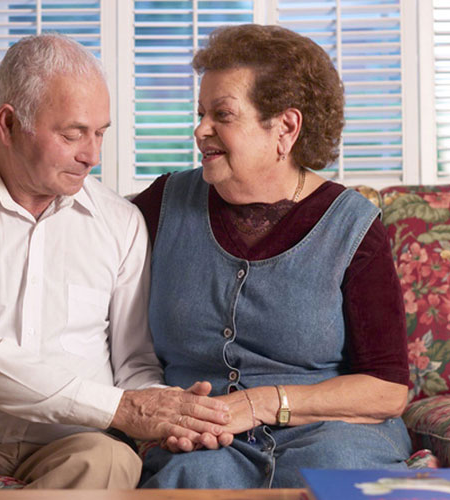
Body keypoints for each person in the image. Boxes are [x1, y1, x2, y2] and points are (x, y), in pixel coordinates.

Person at [0, 33, 233, 499]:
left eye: (100, 133)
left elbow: (134, 361)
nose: (92, 154)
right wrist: (125, 408)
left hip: (73, 440)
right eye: (73, 134)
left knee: (111, 461)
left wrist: (166, 415)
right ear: (8, 124)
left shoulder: (120, 222)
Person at [133, 24, 412, 489]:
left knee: (344, 477)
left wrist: (265, 402)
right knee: (190, 479)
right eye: (201, 113)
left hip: (333, 434)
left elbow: (388, 389)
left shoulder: (352, 225)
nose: (200, 130)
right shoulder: (163, 203)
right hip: (207, 441)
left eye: (222, 114)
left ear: (285, 127)